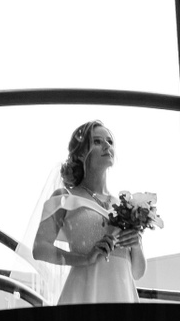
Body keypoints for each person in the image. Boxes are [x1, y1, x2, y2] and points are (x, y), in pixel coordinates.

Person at [31, 120, 144, 305]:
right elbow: (40, 249)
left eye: (110, 141)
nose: (107, 145)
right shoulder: (65, 197)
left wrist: (137, 245)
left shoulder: (124, 205)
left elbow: (137, 273)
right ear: (81, 153)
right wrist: (84, 259)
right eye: (97, 141)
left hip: (122, 295)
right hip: (83, 292)